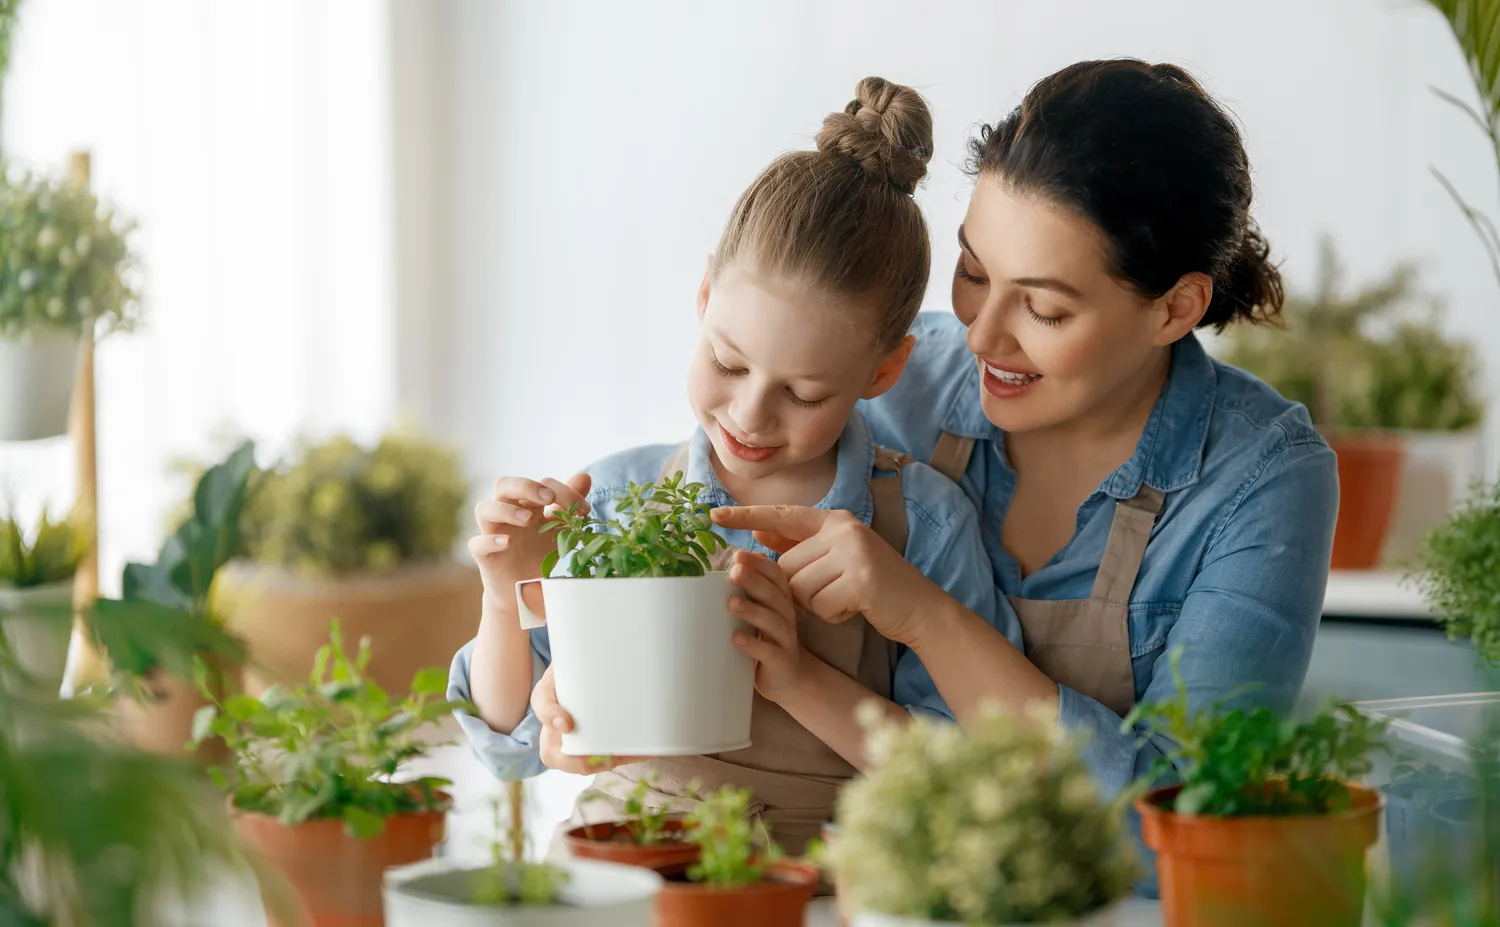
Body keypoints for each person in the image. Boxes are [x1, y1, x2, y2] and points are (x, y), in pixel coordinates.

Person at [536, 59, 1340, 893]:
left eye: (1045, 308)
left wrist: (924, 614)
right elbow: (710, 478)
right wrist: (588, 680)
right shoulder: (886, 376)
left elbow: (1177, 838)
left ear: (1174, 308)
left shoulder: (1260, 481)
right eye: (974, 273)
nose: (983, 335)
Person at [449, 77, 1021, 856]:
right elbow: (510, 741)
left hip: (826, 871)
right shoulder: (616, 496)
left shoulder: (920, 519)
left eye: (802, 391)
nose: (751, 415)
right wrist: (502, 591)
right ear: (706, 292)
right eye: (728, 360)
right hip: (636, 862)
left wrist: (797, 678)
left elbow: (958, 775)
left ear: (885, 372)